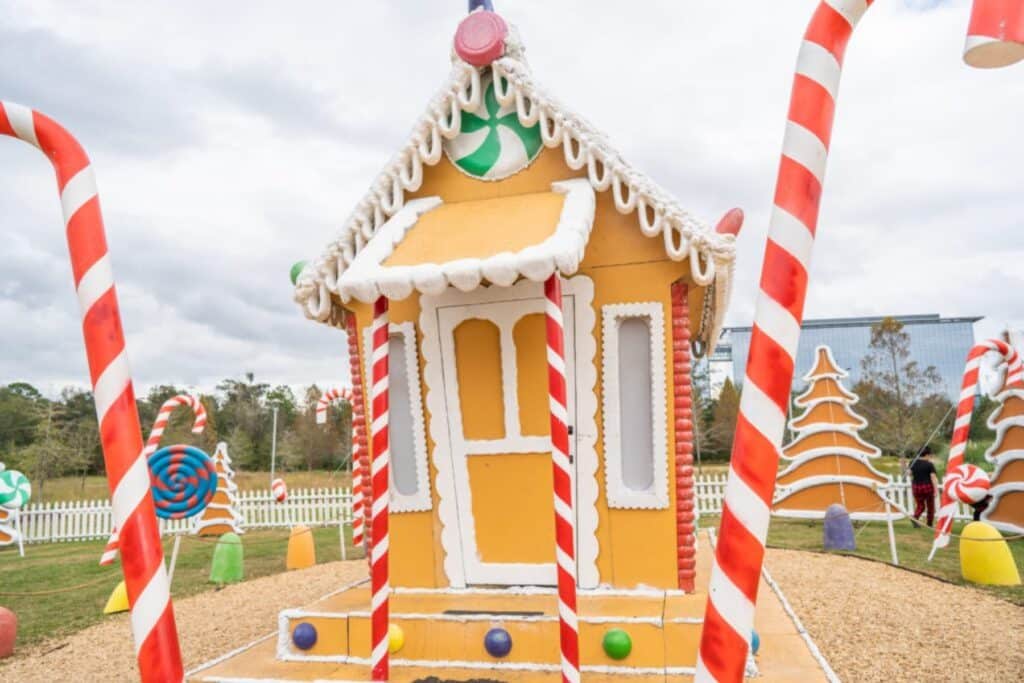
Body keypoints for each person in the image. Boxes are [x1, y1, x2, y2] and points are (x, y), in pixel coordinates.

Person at [909, 447, 940, 527]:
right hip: (927, 487)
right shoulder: (929, 465)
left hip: (916, 487)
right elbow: (933, 477)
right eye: (930, 455)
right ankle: (929, 523)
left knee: (920, 506)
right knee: (930, 507)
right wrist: (936, 490)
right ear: (927, 454)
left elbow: (910, 473)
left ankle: (915, 518)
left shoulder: (912, 462)